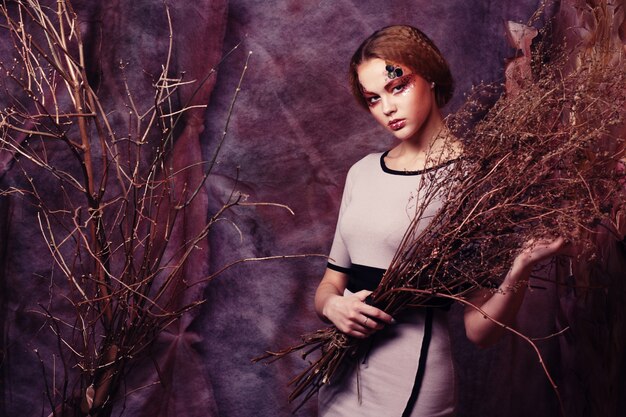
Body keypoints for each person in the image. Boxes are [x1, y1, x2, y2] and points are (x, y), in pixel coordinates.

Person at [314, 25, 568, 417]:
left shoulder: (473, 179)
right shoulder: (361, 172)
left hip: (411, 384)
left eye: (397, 86)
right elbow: (332, 281)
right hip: (341, 378)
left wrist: (520, 265)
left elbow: (479, 332)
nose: (387, 108)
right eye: (373, 98)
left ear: (429, 75)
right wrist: (333, 307)